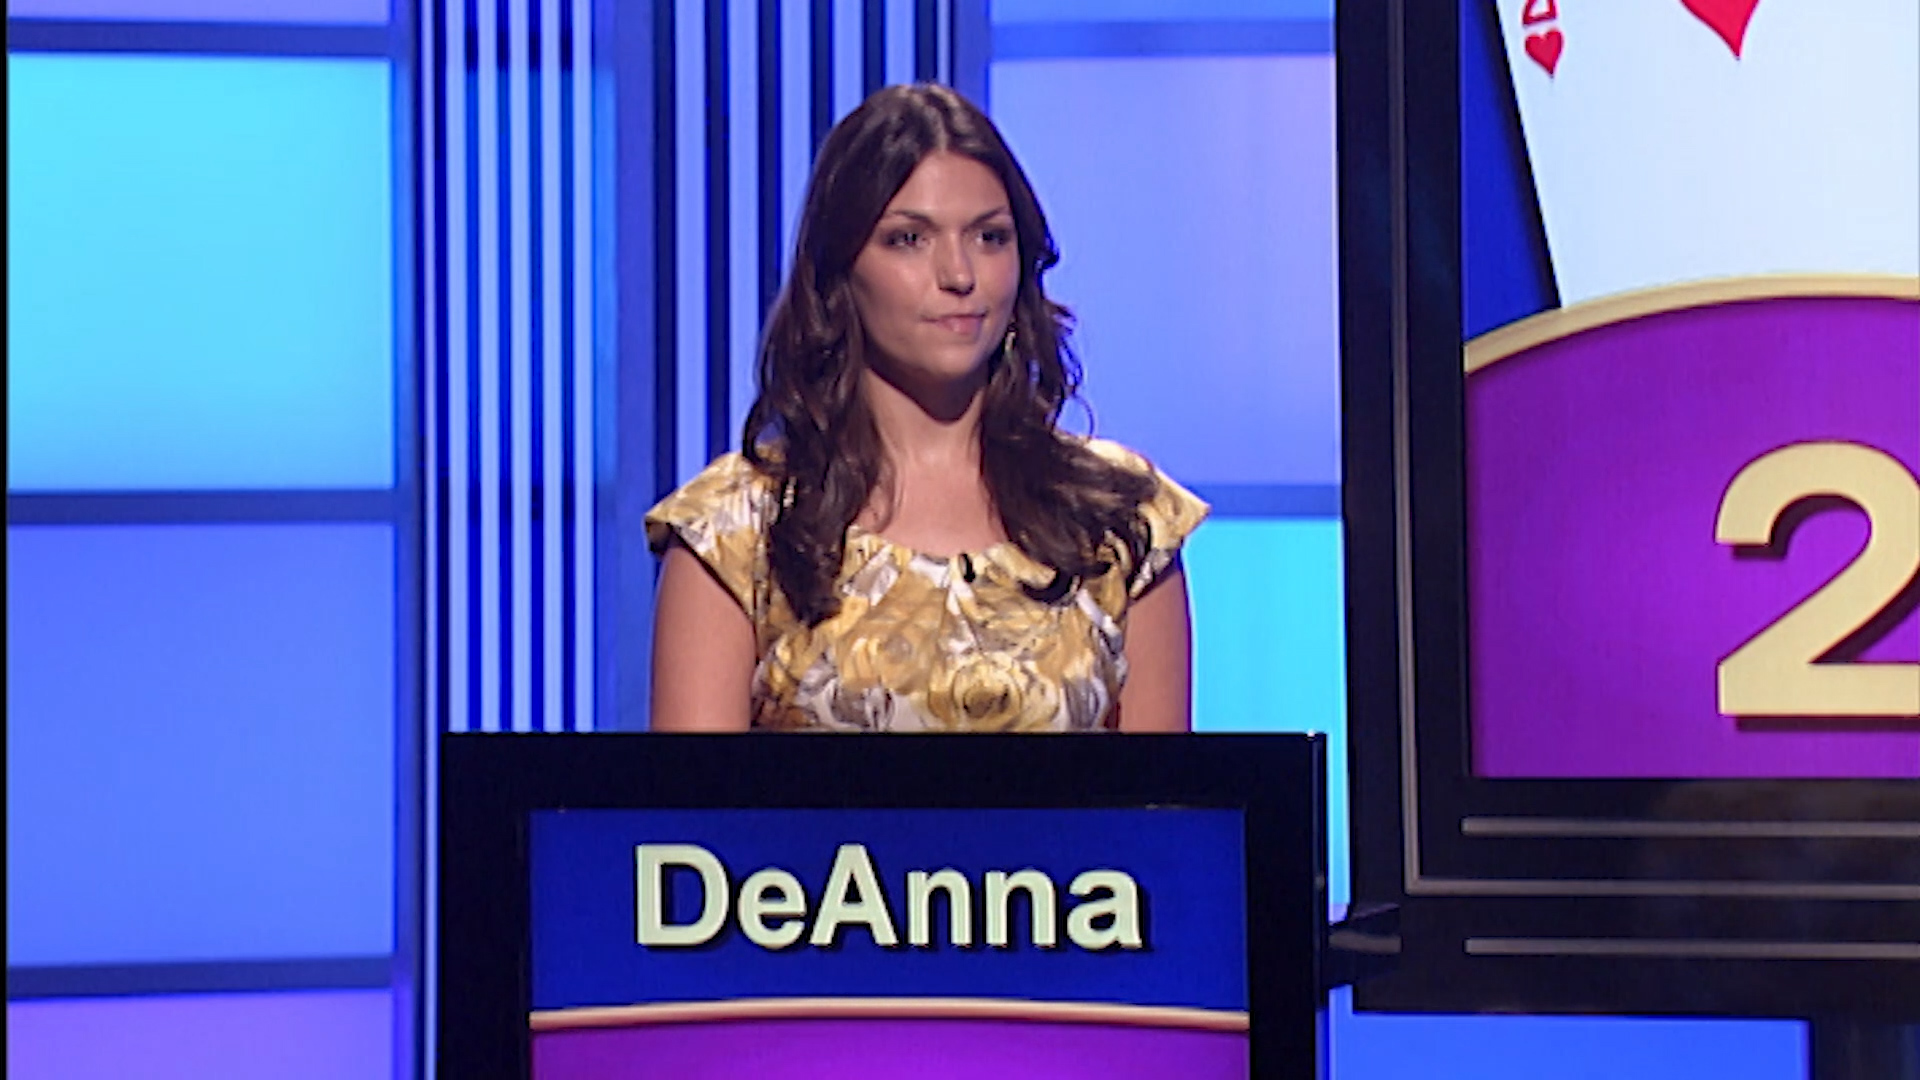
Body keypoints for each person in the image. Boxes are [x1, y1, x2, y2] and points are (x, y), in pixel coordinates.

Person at [646, 83, 1207, 733]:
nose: (960, 275)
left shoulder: (1120, 522)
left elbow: (1162, 798)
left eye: (990, 237)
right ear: (839, 272)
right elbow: (693, 799)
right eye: (909, 238)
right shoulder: (736, 532)